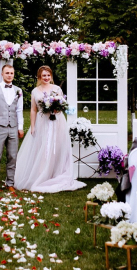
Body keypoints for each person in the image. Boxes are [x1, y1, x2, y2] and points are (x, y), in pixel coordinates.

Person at [14, 65, 85, 193]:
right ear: (39, 77)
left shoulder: (57, 89)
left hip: (57, 122)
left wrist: (56, 108)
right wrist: (33, 126)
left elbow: (62, 105)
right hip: (42, 122)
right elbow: (33, 109)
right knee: (42, 148)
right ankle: (41, 174)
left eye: (48, 75)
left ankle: (55, 174)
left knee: (56, 148)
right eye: (43, 76)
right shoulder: (35, 91)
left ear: (51, 76)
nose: (46, 78)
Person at [0, 64, 25, 190]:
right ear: (2, 74)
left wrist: (20, 127)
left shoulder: (18, 91)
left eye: (11, 73)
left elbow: (19, 110)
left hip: (13, 127)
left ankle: (10, 183)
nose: (9, 75)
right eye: (7, 73)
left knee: (12, 156)